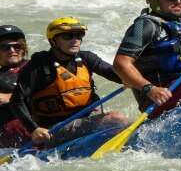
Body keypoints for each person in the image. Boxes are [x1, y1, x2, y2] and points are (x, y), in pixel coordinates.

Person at [10, 18, 129, 148]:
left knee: (119, 122)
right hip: (54, 130)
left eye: (79, 35)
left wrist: (138, 81)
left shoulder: (86, 58)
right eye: (67, 36)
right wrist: (34, 129)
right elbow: (16, 100)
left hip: (85, 121)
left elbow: (118, 74)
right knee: (116, 119)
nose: (75, 40)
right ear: (53, 41)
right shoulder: (39, 65)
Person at [0, 25, 31, 147]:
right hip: (15, 139)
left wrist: (12, 97)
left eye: (17, 46)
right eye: (5, 47)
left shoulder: (38, 66)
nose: (12, 50)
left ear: (23, 49)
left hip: (47, 128)